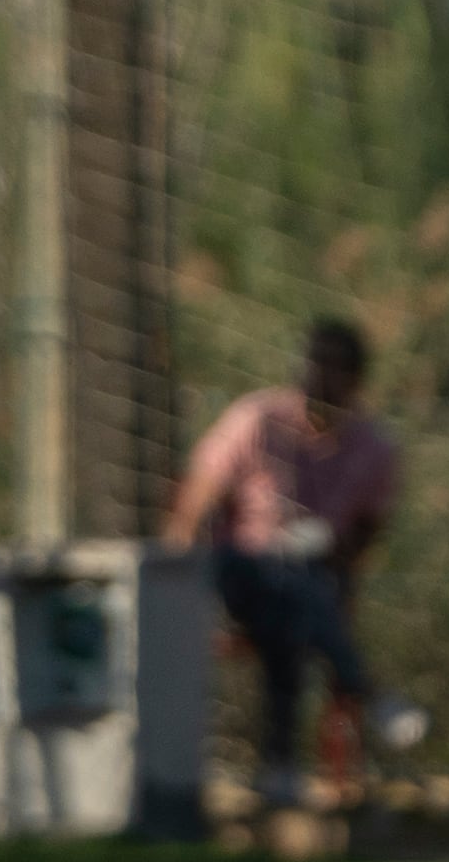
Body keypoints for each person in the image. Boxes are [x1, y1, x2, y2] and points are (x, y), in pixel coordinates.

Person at [165, 316, 427, 808]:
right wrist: (175, 574)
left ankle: (280, 771)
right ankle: (368, 695)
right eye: (311, 363)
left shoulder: (374, 448)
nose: (317, 376)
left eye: (332, 366)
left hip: (312, 582)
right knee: (288, 588)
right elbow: (198, 497)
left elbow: (367, 535)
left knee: (295, 607)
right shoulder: (258, 420)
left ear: (355, 378)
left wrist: (332, 551)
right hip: (236, 573)